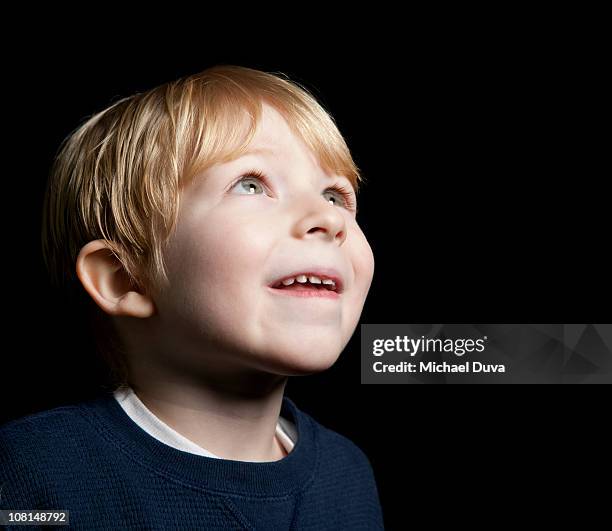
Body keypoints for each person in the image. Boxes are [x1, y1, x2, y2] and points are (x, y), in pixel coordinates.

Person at [0, 65, 383, 529]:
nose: (329, 218)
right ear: (126, 280)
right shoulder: (34, 473)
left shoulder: (350, 475)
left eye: (335, 195)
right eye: (252, 184)